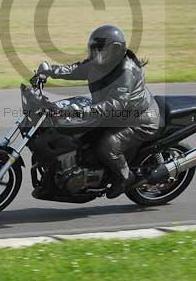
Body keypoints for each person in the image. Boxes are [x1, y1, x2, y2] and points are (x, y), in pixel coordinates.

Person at [37, 24, 160, 199]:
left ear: (115, 49)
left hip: (138, 120)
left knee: (106, 145)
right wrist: (50, 71)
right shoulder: (101, 63)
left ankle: (124, 177)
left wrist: (81, 111)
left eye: (99, 50)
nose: (94, 54)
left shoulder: (126, 71)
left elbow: (114, 104)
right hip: (114, 116)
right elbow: (76, 69)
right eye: (93, 50)